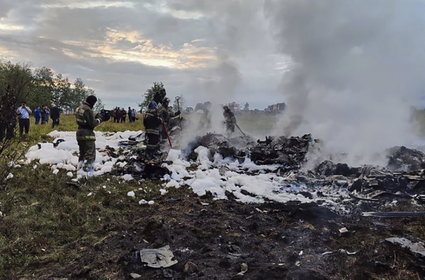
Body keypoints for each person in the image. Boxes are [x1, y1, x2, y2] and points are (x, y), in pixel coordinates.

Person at [75, 95, 109, 174]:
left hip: (79, 132)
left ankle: (79, 170)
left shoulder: (79, 108)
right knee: (90, 154)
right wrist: (101, 119)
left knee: (82, 153)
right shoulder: (88, 110)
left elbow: (86, 116)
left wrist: (97, 115)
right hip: (87, 133)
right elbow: (92, 123)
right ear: (93, 102)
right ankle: (87, 172)